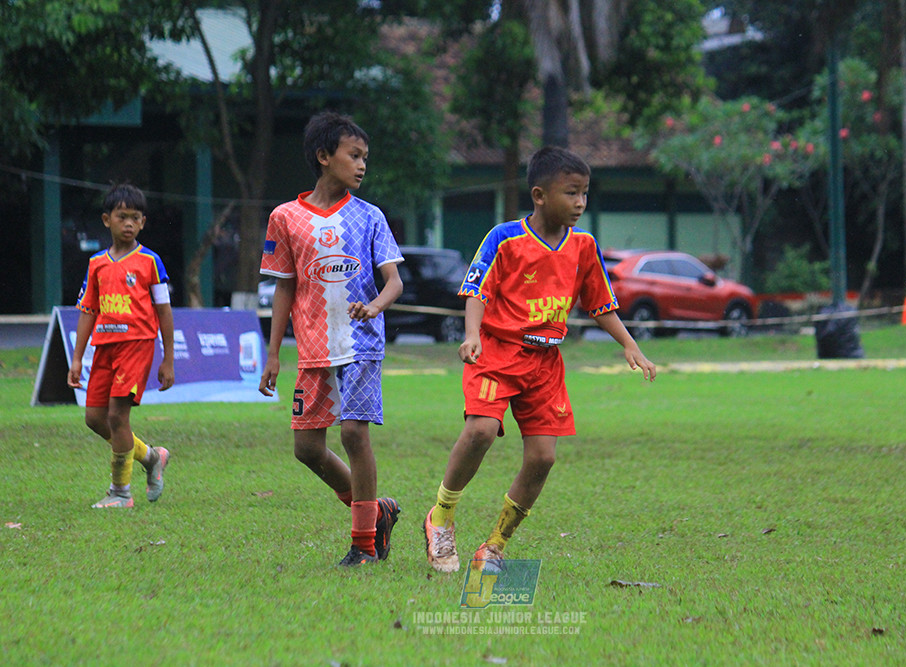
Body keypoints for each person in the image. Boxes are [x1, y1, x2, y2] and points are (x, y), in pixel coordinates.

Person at [423, 146, 657, 573]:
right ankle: (441, 517)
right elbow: (477, 289)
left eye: (585, 193)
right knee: (480, 430)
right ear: (539, 194)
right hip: (495, 352)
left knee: (543, 458)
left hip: (545, 363)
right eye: (571, 193)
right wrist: (473, 334)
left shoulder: (584, 246)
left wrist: (630, 344)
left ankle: (493, 546)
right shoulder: (504, 237)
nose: (581, 203)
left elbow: (600, 302)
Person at [258, 111, 404, 567]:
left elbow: (394, 281)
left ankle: (363, 545)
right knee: (307, 449)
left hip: (359, 344)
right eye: (353, 155)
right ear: (324, 157)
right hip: (314, 349)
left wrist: (375, 306)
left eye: (366, 157)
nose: (362, 165)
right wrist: (273, 354)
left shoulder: (370, 217)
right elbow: (285, 286)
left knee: (354, 435)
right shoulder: (285, 218)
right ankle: (375, 510)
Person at [68, 183, 174, 509]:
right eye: (121, 216)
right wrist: (76, 359)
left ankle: (120, 493)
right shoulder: (97, 263)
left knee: (117, 416)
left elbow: (164, 311)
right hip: (104, 346)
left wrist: (168, 358)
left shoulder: (150, 262)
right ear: (106, 220)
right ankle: (152, 457)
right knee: (94, 418)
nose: (128, 223)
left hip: (136, 345)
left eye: (135, 218)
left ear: (143, 223)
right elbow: (88, 311)